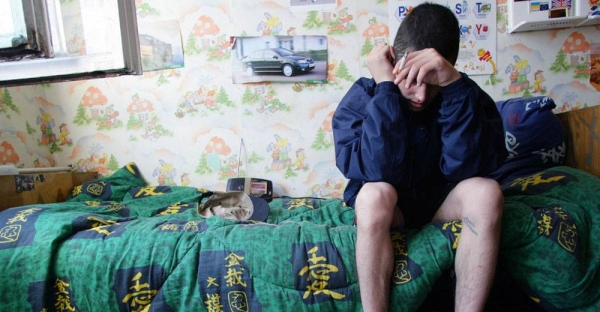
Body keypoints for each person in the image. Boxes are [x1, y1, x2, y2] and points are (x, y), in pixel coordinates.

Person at [332, 3, 507, 311]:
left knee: (487, 192)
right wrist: (386, 89)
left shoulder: (465, 94)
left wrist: (453, 89)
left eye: (433, 82)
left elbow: (467, 169)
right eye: (411, 80)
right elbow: (377, 170)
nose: (422, 95)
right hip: (391, 207)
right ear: (392, 63)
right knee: (373, 194)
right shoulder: (363, 96)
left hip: (441, 202)